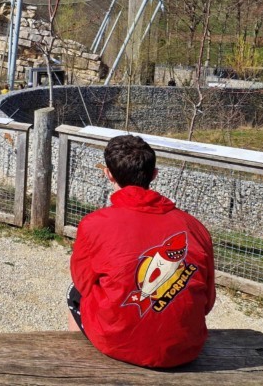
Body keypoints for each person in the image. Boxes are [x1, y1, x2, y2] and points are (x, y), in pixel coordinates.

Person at [67, 135, 215, 368]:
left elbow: (83, 281)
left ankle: (80, 363)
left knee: (73, 292)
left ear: (108, 174)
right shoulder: (195, 227)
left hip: (116, 343)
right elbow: (207, 302)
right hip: (185, 348)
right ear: (154, 175)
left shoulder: (94, 223)